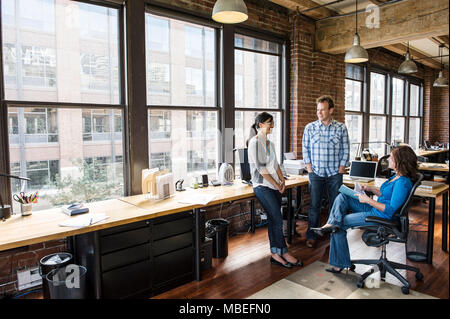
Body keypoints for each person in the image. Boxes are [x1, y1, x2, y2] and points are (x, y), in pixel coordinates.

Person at [311, 145, 417, 273]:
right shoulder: (396, 177)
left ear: (400, 162)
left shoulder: (402, 182)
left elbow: (390, 210)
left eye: (391, 157)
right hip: (377, 210)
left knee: (340, 223)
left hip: (382, 216)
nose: (388, 159)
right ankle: (330, 224)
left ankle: (339, 262)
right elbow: (386, 196)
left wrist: (368, 200)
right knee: (344, 196)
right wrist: (371, 189)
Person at [248, 112, 303, 268]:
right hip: (262, 186)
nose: (272, 125)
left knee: (274, 220)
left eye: (272, 123)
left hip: (273, 186)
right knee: (277, 219)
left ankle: (275, 253)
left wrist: (282, 180)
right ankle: (283, 252)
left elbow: (276, 164)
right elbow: (262, 170)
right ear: (260, 125)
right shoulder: (254, 143)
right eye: (269, 123)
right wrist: (276, 183)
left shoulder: (269, 144)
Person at [302, 95, 350, 248]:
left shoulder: (341, 128)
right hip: (315, 173)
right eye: (318, 110)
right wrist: (309, 169)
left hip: (334, 174)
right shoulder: (310, 127)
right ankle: (312, 235)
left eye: (322, 110)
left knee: (334, 206)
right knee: (314, 206)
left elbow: (345, 150)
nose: (319, 113)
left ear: (331, 110)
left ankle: (332, 234)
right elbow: (305, 149)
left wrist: (341, 169)